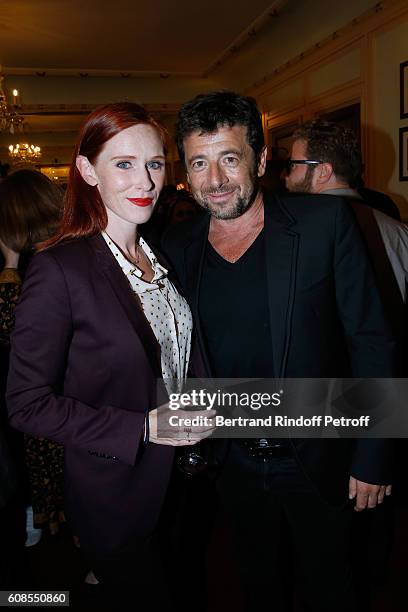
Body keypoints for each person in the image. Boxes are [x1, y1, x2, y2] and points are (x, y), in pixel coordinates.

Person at [161, 91, 395, 612]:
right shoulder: (176, 247)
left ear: (261, 160)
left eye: (229, 158)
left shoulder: (323, 227)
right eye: (199, 162)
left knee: (331, 585)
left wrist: (375, 454)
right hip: (231, 461)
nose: (214, 179)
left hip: (318, 453)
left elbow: (371, 340)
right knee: (256, 582)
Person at [6, 102, 214, 607]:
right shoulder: (59, 270)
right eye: (123, 163)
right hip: (117, 489)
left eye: (155, 163)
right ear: (86, 170)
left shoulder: (157, 253)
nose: (145, 179)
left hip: (183, 478)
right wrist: (143, 427)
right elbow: (26, 403)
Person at [285, 120, 408, 368]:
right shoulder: (399, 232)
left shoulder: (294, 236)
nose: (286, 175)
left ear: (323, 172)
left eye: (293, 165)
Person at [0, 170, 65, 548]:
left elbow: (12, 329)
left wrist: (9, 260)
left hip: (51, 394)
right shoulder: (60, 251)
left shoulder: (41, 263)